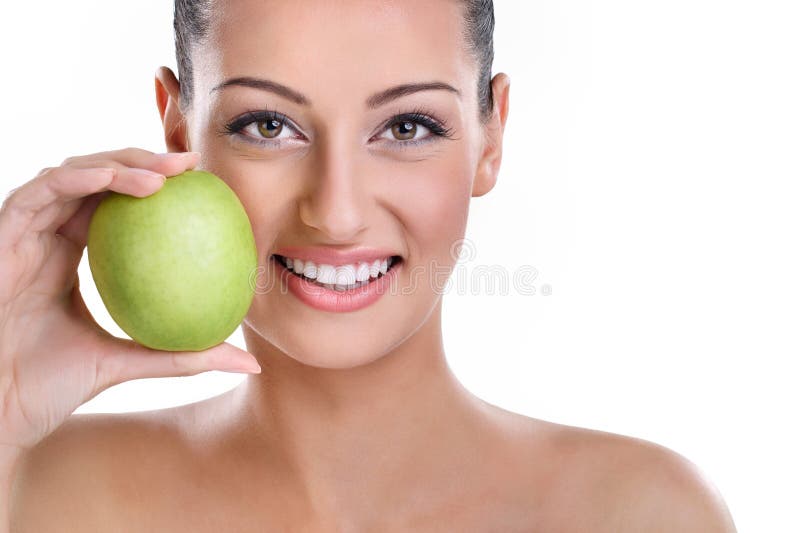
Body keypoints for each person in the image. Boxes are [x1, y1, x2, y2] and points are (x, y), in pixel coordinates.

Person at [2, 1, 737, 531]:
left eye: (407, 126)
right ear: (176, 128)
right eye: (268, 125)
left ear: (491, 137)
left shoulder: (645, 514)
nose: (337, 210)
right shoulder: (36, 493)